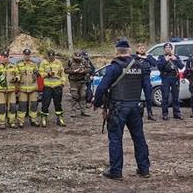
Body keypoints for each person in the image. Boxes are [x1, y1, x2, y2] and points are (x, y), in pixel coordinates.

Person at [93, 39, 151, 180]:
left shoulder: (114, 67)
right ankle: (144, 169)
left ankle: (116, 171)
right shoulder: (140, 66)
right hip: (136, 107)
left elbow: (101, 87)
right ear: (129, 50)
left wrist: (97, 103)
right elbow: (147, 87)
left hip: (118, 107)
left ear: (116, 51)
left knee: (115, 139)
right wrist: (148, 106)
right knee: (139, 138)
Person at [0, 51, 20, 129]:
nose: (5, 58)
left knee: (12, 106)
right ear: (1, 57)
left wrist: (16, 78)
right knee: (1, 107)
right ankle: (2, 123)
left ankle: (12, 122)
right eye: (4, 57)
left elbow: (18, 75)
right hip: (1, 91)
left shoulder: (13, 66)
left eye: (6, 57)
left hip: (11, 90)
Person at [39, 50, 66, 127]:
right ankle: (44, 119)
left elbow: (62, 74)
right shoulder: (43, 63)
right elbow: (40, 73)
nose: (51, 58)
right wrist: (47, 74)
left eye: (53, 56)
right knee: (45, 103)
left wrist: (63, 83)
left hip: (57, 86)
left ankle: (60, 118)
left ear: (54, 56)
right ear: (47, 56)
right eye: (50, 56)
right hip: (47, 86)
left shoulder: (58, 62)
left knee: (58, 103)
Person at [157, 43, 184, 120]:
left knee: (176, 97)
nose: (168, 49)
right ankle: (165, 114)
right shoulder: (161, 57)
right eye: (166, 47)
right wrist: (165, 61)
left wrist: (176, 59)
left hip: (175, 78)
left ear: (171, 49)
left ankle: (177, 113)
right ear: (164, 49)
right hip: (166, 78)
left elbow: (181, 67)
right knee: (165, 96)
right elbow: (159, 67)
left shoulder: (175, 56)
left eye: (169, 47)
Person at [65, 51, 92, 119]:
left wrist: (84, 71)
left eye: (79, 58)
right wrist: (73, 71)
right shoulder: (70, 61)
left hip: (82, 81)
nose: (78, 59)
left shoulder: (84, 61)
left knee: (83, 95)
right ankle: (73, 112)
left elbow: (89, 69)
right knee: (74, 96)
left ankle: (83, 111)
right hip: (73, 81)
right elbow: (65, 70)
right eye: (76, 58)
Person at [134, 44, 158, 121]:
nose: (142, 49)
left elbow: (154, 63)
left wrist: (146, 58)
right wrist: (139, 57)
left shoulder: (148, 57)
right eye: (140, 48)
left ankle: (150, 113)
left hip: (146, 78)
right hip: (137, 78)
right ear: (137, 49)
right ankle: (136, 113)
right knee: (136, 97)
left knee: (148, 96)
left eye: (143, 48)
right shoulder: (134, 57)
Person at [17, 49, 40, 128]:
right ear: (23, 55)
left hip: (33, 88)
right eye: (26, 55)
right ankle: (21, 121)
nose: (27, 56)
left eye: (28, 55)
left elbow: (37, 73)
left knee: (33, 105)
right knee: (22, 106)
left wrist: (36, 74)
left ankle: (33, 120)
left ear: (30, 55)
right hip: (23, 89)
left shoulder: (34, 64)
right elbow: (16, 74)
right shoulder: (19, 64)